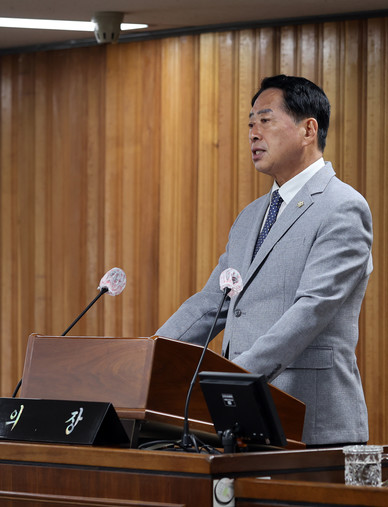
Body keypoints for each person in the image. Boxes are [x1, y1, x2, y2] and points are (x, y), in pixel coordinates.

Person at [156, 75, 373, 447]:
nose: (253, 133)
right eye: (250, 124)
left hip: (311, 422)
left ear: (308, 130)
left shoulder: (342, 207)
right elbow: (212, 303)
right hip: (242, 416)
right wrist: (150, 354)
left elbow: (312, 309)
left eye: (266, 120)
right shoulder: (251, 216)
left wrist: (236, 376)